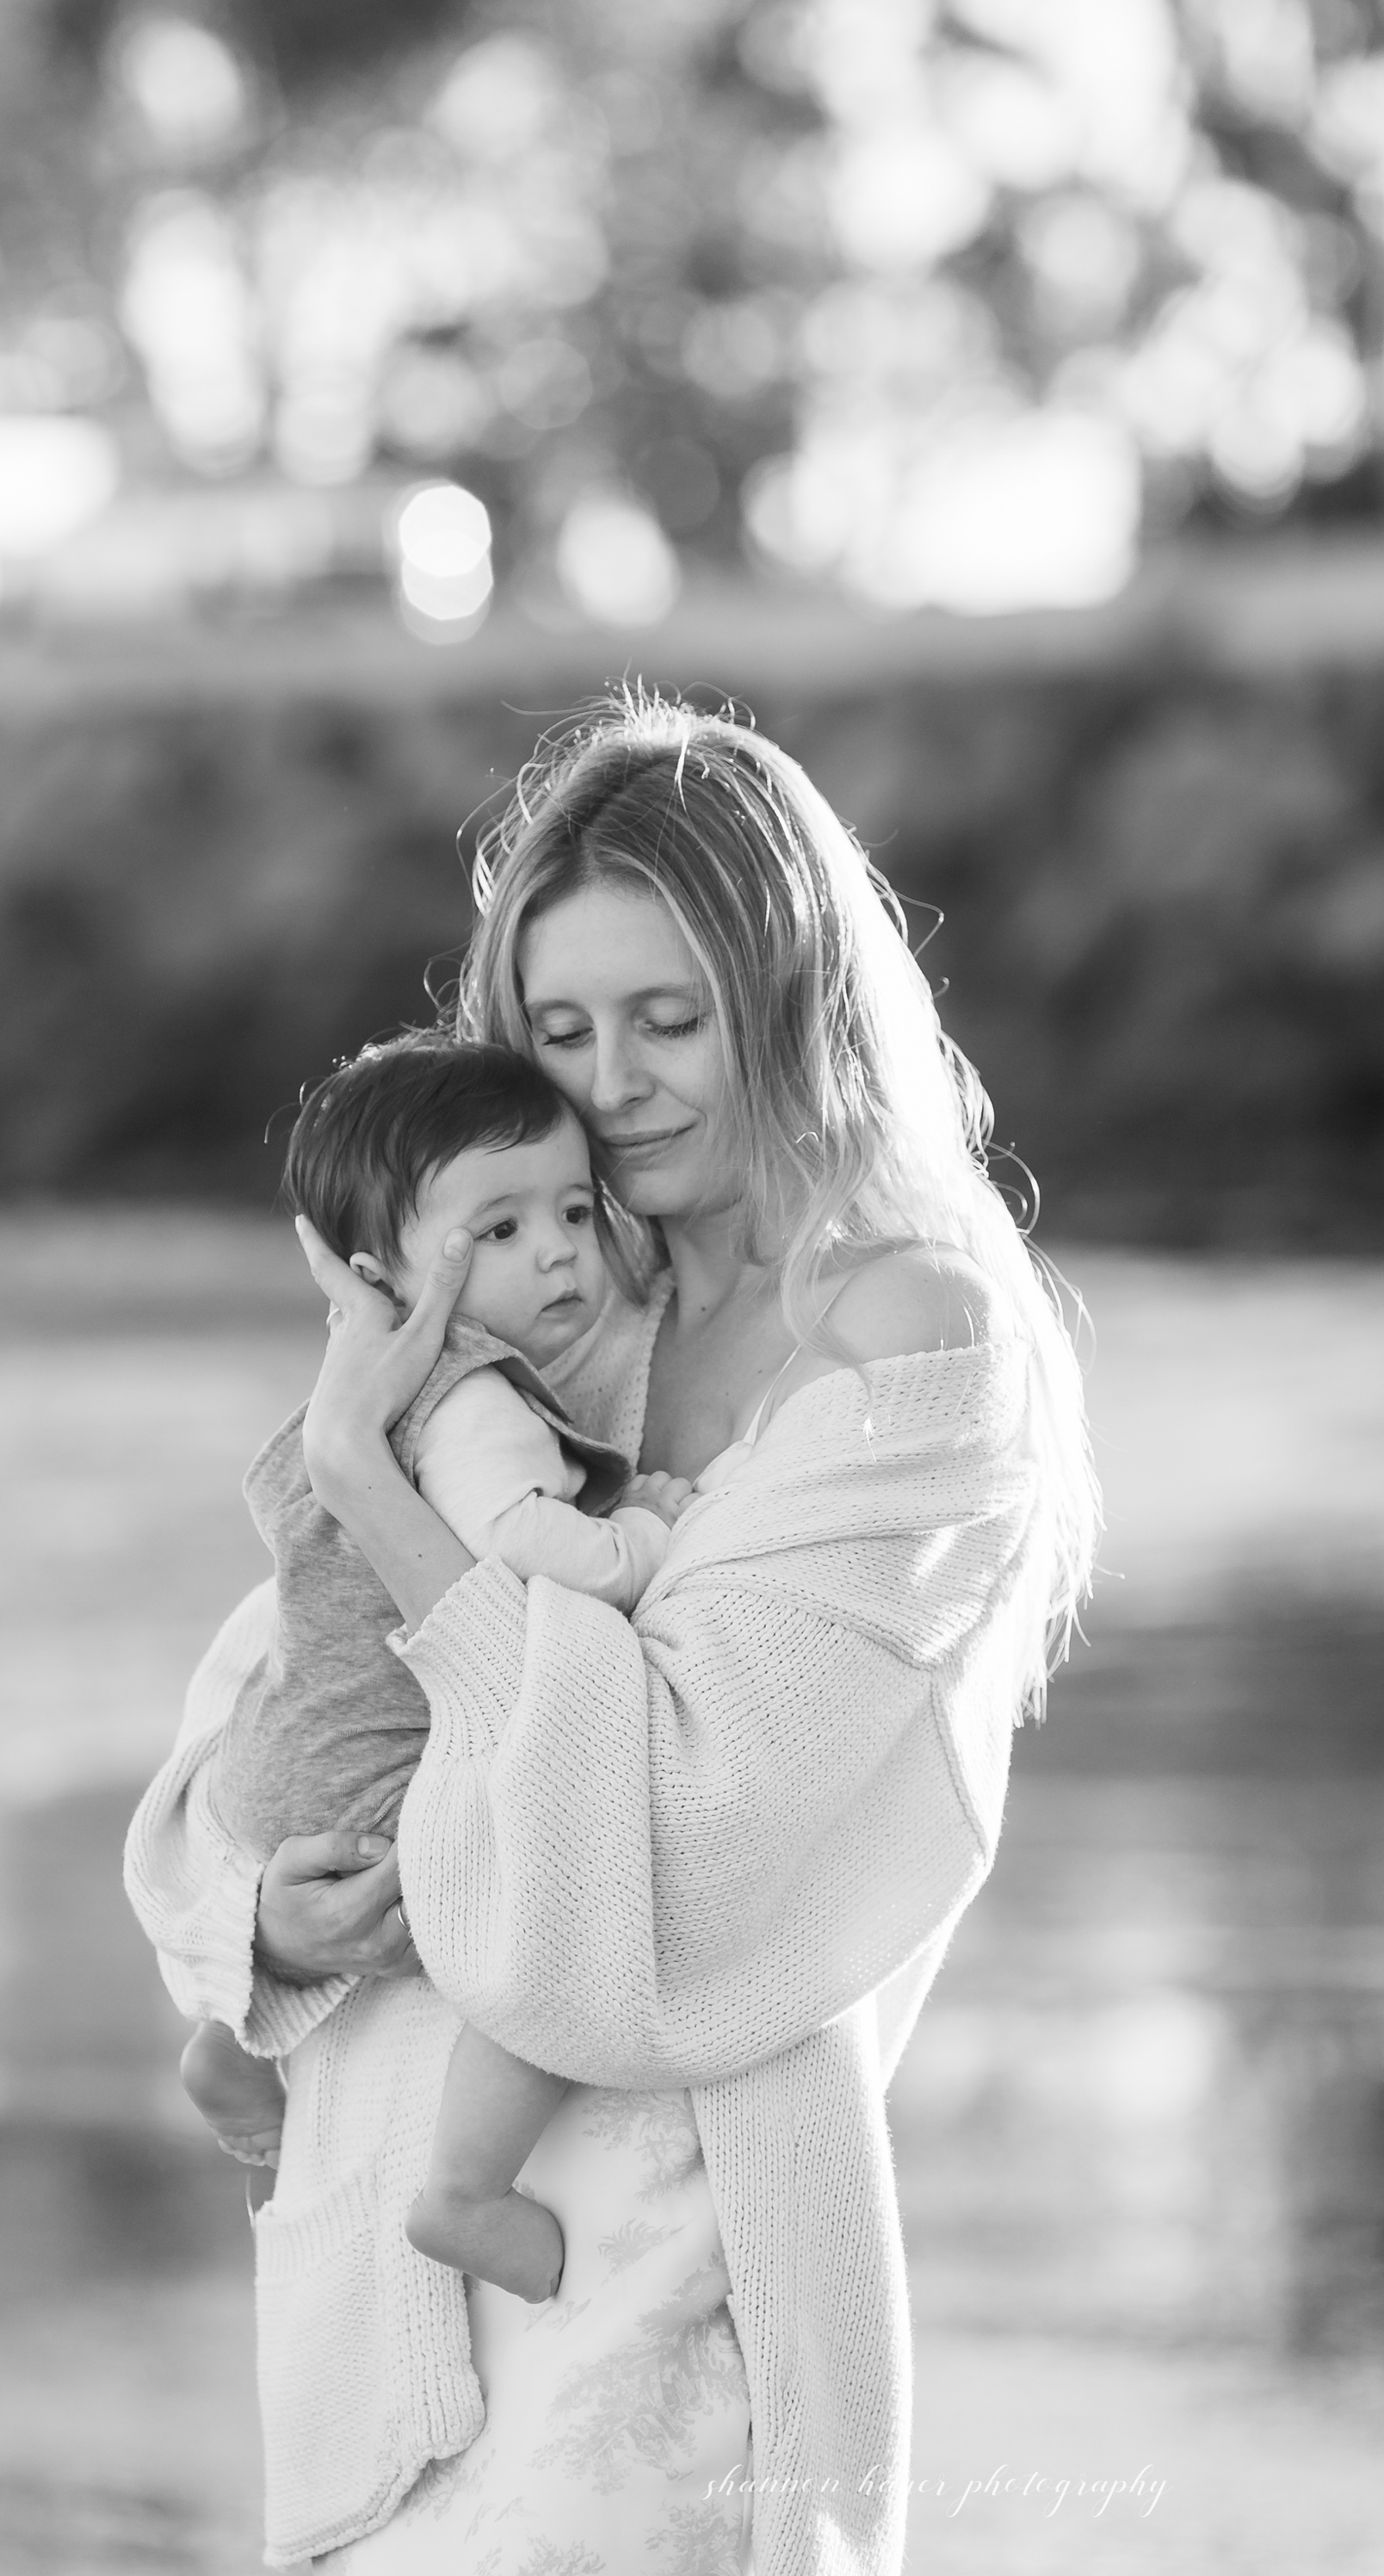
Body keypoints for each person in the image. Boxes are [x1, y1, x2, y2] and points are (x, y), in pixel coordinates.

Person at [124, 690, 1098, 2576]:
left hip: (668, 2254)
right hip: (390, 2234)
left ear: (793, 991)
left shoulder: (909, 1349)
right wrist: (252, 1921)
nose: (620, 1078)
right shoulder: (563, 1294)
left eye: (671, 1017)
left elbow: (679, 1821)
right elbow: (269, 1693)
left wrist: (370, 1473)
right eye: (562, 1032)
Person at [180, 1033, 696, 2304]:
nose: (562, 1250)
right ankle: (466, 2191)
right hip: (374, 1769)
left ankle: (225, 2051)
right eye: (503, 1231)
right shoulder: (474, 1401)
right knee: (540, 1926)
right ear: (380, 1278)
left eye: (574, 1211)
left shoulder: (370, 1397)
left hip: (286, 1755)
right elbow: (525, 1547)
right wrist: (646, 1535)